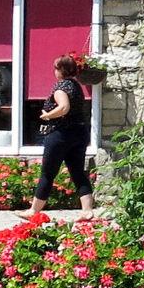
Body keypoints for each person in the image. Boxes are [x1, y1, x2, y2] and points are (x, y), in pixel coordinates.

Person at [29, 54, 97, 217]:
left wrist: (48, 116)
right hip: (79, 133)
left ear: (61, 70)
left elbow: (64, 107)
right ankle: (87, 211)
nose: (54, 71)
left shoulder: (61, 87)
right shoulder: (76, 86)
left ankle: (33, 210)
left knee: (48, 173)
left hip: (60, 134)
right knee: (78, 172)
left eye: (55, 68)